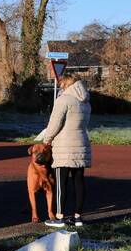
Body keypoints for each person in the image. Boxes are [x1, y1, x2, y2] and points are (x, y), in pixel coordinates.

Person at [37, 72, 92, 228]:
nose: (60, 85)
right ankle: (78, 217)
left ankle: (59, 218)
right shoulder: (86, 100)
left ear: (67, 83)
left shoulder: (63, 100)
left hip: (64, 146)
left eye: (62, 83)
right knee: (79, 181)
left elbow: (54, 124)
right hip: (81, 143)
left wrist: (47, 140)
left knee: (61, 182)